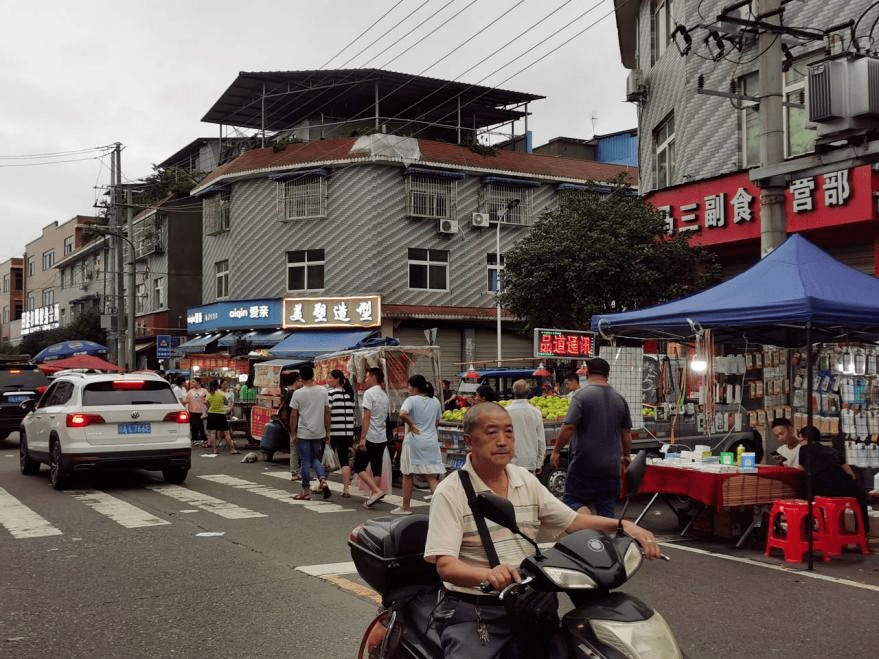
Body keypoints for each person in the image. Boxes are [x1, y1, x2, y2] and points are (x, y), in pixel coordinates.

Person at [424, 402, 660, 659]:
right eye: (491, 433)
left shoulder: (524, 479)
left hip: (528, 604)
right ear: (470, 441)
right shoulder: (450, 492)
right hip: (476, 609)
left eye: (509, 432)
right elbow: (445, 566)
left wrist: (623, 525)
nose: (503, 441)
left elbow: (571, 522)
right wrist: (488, 574)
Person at [550, 357, 631, 518]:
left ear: (587, 373)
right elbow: (627, 433)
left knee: (571, 500)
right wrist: (626, 457)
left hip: (584, 465)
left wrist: (557, 450)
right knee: (606, 511)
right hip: (611, 468)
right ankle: (605, 539)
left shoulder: (581, 396)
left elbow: (568, 427)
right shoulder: (620, 399)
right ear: (608, 375)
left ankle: (586, 518)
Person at [797, 425, 869, 531]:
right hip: (843, 486)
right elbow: (848, 471)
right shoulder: (832, 450)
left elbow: (800, 471)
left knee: (802, 491)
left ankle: (808, 530)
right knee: (861, 497)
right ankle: (863, 531)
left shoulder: (804, 448)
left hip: (819, 489)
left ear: (804, 438)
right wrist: (853, 484)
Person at [393, 374, 444, 515]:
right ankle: (445, 506)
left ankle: (405, 507)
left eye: (409, 386)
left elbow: (403, 414)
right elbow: (437, 421)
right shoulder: (435, 401)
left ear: (415, 388)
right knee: (431, 478)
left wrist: (412, 424)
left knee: (407, 474)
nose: (408, 389)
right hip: (431, 441)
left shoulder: (411, 400)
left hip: (414, 441)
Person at [288, 365, 331, 500]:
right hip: (319, 431)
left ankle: (306, 490)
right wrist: (327, 430)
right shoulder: (323, 391)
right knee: (315, 458)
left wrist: (293, 434)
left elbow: (293, 415)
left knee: (306, 460)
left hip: (304, 432)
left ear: (301, 377)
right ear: (313, 375)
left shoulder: (298, 393)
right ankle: (322, 480)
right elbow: (327, 412)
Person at [355, 367, 390, 508]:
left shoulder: (369, 394)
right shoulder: (384, 395)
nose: (365, 379)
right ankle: (373, 496)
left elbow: (366, 417)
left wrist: (362, 438)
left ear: (374, 378)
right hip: (381, 436)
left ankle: (375, 491)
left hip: (370, 435)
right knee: (376, 467)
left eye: (367, 377)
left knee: (358, 466)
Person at [506, 379, 545, 474]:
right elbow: (541, 440)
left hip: (511, 462)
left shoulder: (505, 412)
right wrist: (539, 463)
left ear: (513, 392)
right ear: (528, 392)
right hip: (530, 462)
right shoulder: (535, 412)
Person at [327, 369, 356, 498]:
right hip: (347, 432)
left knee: (327, 458)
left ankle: (321, 482)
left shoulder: (331, 394)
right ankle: (346, 489)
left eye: (330, 378)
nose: (328, 380)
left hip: (334, 432)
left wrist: (326, 430)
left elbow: (328, 413)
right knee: (344, 460)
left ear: (337, 379)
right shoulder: (349, 396)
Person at [206, 379, 238, 454]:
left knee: (212, 433)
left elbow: (207, 404)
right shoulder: (221, 394)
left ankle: (215, 450)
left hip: (211, 414)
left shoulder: (209, 394)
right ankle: (231, 449)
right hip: (221, 414)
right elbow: (226, 402)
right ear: (218, 385)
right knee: (226, 432)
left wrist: (212, 408)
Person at [185, 377, 209, 447]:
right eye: (192, 382)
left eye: (193, 382)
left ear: (198, 383)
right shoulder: (190, 391)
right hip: (192, 411)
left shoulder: (204, 391)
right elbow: (187, 400)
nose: (192, 383)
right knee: (194, 426)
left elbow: (207, 400)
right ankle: (194, 440)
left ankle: (204, 440)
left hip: (201, 412)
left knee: (201, 426)